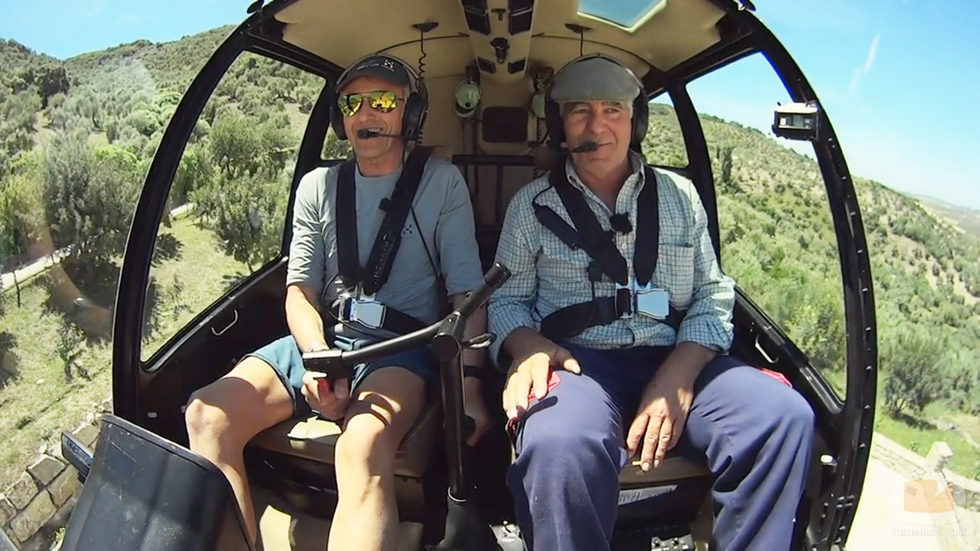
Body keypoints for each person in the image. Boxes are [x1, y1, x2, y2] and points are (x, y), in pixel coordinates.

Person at [488, 54, 815, 551]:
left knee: (782, 417)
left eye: (612, 110)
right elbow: (505, 302)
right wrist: (529, 344)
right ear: (561, 125)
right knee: (559, 444)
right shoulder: (531, 207)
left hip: (674, 355)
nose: (598, 124)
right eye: (580, 111)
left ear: (635, 120)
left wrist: (679, 374)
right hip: (579, 366)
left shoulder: (681, 197)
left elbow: (712, 294)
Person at [184, 54, 491, 551]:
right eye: (354, 103)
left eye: (384, 101)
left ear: (409, 115)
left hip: (400, 346)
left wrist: (470, 386)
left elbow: (466, 294)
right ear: (340, 118)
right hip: (323, 339)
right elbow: (300, 291)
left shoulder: (441, 183)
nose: (367, 114)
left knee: (361, 446)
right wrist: (317, 357)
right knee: (207, 414)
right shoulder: (316, 187)